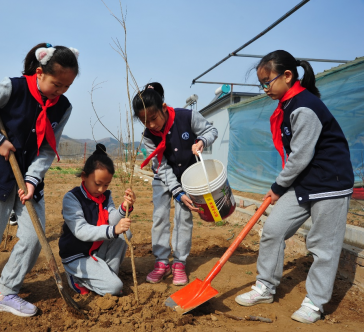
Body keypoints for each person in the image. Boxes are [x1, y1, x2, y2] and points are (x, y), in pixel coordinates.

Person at [0, 43, 79, 317]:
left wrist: (34, 179)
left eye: (67, 87)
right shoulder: (12, 88)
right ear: (39, 72)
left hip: (29, 179)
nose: (60, 92)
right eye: (56, 84)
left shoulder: (63, 108)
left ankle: (6, 291)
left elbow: (48, 148)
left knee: (34, 237)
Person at [235, 50, 353, 324]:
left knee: (323, 246)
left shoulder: (304, 106)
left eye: (267, 82)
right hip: (305, 183)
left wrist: (277, 187)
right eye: (261, 84)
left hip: (329, 184)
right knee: (273, 230)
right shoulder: (287, 105)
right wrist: (282, 186)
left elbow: (301, 155)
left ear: (287, 76)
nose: (265, 89)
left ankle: (315, 301)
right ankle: (265, 286)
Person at [134, 82, 218, 286]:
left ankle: (179, 262)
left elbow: (211, 130)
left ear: (164, 107)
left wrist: (202, 141)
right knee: (160, 218)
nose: (151, 125)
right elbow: (160, 167)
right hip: (164, 177)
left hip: (189, 175)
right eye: (145, 122)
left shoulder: (186, 117)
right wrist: (177, 191)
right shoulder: (148, 136)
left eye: (153, 119)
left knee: (183, 217)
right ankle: (161, 262)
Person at [57, 144, 136, 296]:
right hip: (78, 255)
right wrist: (113, 230)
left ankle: (105, 276)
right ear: (84, 176)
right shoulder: (72, 198)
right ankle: (76, 277)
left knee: (125, 234)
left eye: (106, 185)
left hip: (95, 249)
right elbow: (81, 230)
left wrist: (125, 207)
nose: (101, 190)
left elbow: (111, 218)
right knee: (115, 288)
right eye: (98, 184)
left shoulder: (105, 196)